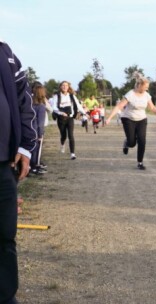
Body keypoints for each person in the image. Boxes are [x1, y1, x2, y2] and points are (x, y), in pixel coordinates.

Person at [0, 39, 37, 304]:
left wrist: (25, 147)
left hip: (4, 163)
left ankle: (6, 295)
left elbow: (23, 100)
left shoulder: (5, 53)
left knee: (5, 234)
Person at [105, 72, 156, 170]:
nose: (147, 89)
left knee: (142, 140)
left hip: (141, 120)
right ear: (140, 85)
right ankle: (127, 142)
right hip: (128, 119)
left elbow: (152, 108)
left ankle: (140, 162)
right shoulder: (130, 94)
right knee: (132, 143)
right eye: (146, 87)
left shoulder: (146, 95)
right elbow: (119, 106)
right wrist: (109, 118)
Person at [51, 81, 87, 160]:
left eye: (66, 85)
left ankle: (72, 154)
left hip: (70, 118)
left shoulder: (72, 96)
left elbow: (78, 105)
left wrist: (84, 113)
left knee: (71, 135)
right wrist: (61, 113)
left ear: (68, 87)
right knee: (63, 135)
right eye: (63, 85)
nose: (64, 87)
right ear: (60, 87)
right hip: (61, 118)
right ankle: (62, 144)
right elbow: (54, 108)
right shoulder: (56, 96)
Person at [30, 84, 48, 175]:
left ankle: (31, 166)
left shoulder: (30, 104)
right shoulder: (41, 106)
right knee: (36, 150)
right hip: (36, 130)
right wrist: (40, 134)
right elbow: (41, 122)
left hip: (28, 129)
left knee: (30, 148)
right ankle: (34, 166)